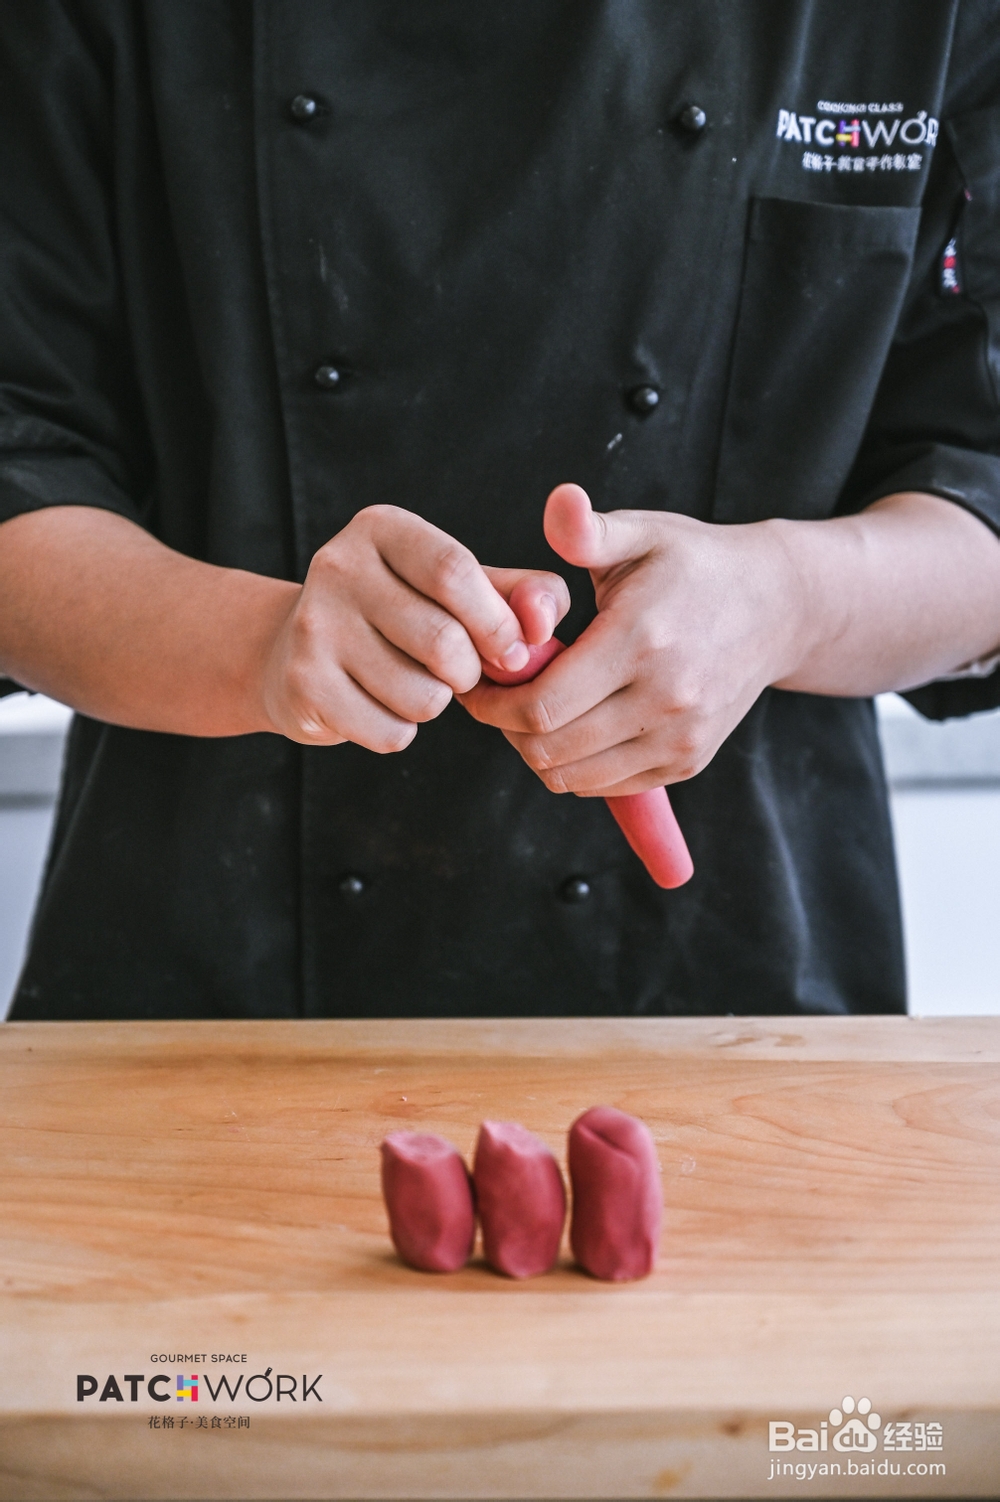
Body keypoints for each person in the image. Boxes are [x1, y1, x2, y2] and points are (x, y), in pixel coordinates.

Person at [2, 3, 1000, 1022]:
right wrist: (260, 647)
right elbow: (18, 453)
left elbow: (984, 496)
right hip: (212, 984)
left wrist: (792, 598)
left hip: (732, 1002)